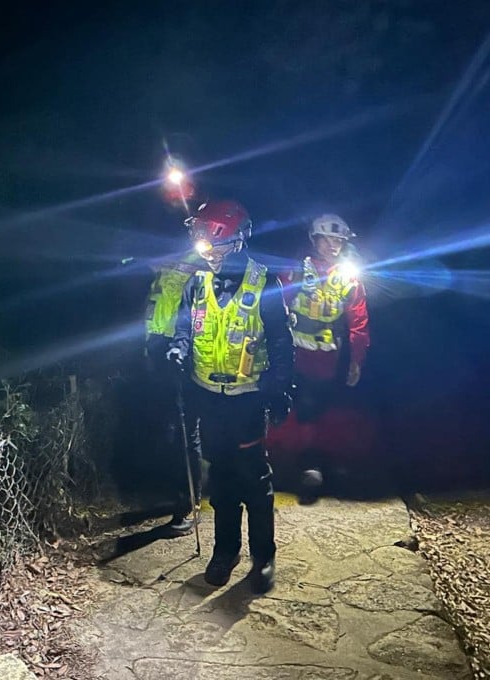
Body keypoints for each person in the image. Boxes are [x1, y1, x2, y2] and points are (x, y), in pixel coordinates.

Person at [167, 199, 294, 594]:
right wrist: (178, 351)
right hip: (209, 397)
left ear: (237, 241)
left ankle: (263, 556)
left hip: (248, 398)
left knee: (253, 479)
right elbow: (184, 328)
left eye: (214, 244)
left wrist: (280, 389)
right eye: (203, 243)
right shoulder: (197, 282)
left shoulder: (263, 282)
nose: (207, 252)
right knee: (221, 477)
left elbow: (281, 341)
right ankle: (225, 550)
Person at [279, 213, 370, 501]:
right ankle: (288, 459)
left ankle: (311, 462)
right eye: (327, 239)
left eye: (338, 240)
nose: (333, 245)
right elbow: (277, 303)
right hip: (292, 351)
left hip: (326, 356)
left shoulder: (348, 275)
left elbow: (358, 319)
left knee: (316, 409)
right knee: (288, 406)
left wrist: (356, 359)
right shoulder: (297, 269)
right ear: (314, 239)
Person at [143, 246, 206, 536]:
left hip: (184, 350)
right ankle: (174, 498)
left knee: (185, 431)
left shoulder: (200, 257)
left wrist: (182, 350)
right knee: (169, 429)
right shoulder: (164, 256)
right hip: (159, 350)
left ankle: (187, 505)